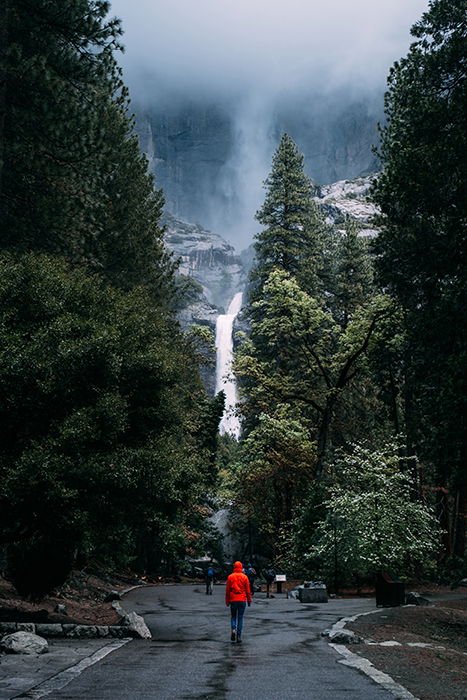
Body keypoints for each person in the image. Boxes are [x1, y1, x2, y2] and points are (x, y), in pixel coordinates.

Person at [225, 560, 252, 643]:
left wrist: (227, 601)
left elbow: (227, 590)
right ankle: (239, 636)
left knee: (233, 617)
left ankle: (233, 629)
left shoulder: (230, 577)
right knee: (240, 617)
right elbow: (248, 590)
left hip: (233, 599)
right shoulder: (244, 577)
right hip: (242, 599)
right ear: (241, 567)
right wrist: (249, 600)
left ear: (234, 567)